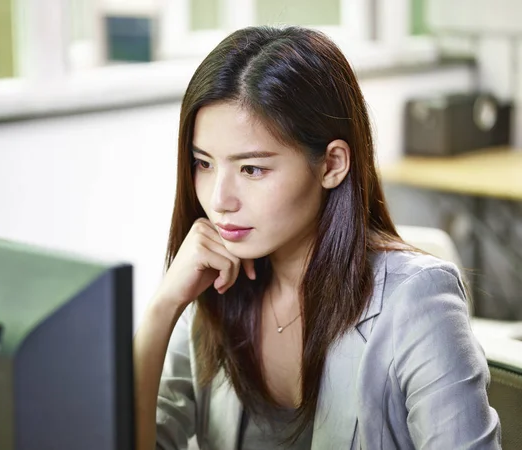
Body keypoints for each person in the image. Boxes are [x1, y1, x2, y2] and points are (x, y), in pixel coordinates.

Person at [133, 26, 501, 449]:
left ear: (332, 165)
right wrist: (162, 308)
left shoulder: (418, 301)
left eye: (252, 169)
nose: (219, 201)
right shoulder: (211, 285)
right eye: (204, 163)